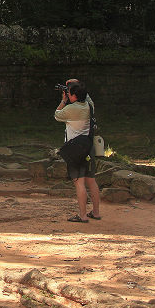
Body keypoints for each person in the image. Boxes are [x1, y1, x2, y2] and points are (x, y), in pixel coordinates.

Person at [55, 78, 102, 223]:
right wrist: (78, 84)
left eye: (69, 93)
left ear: (74, 96)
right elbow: (86, 96)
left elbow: (57, 114)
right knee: (91, 181)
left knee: (79, 183)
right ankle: (96, 212)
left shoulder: (70, 109)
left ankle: (82, 215)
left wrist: (63, 101)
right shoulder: (89, 106)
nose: (68, 95)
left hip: (75, 150)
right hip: (88, 147)